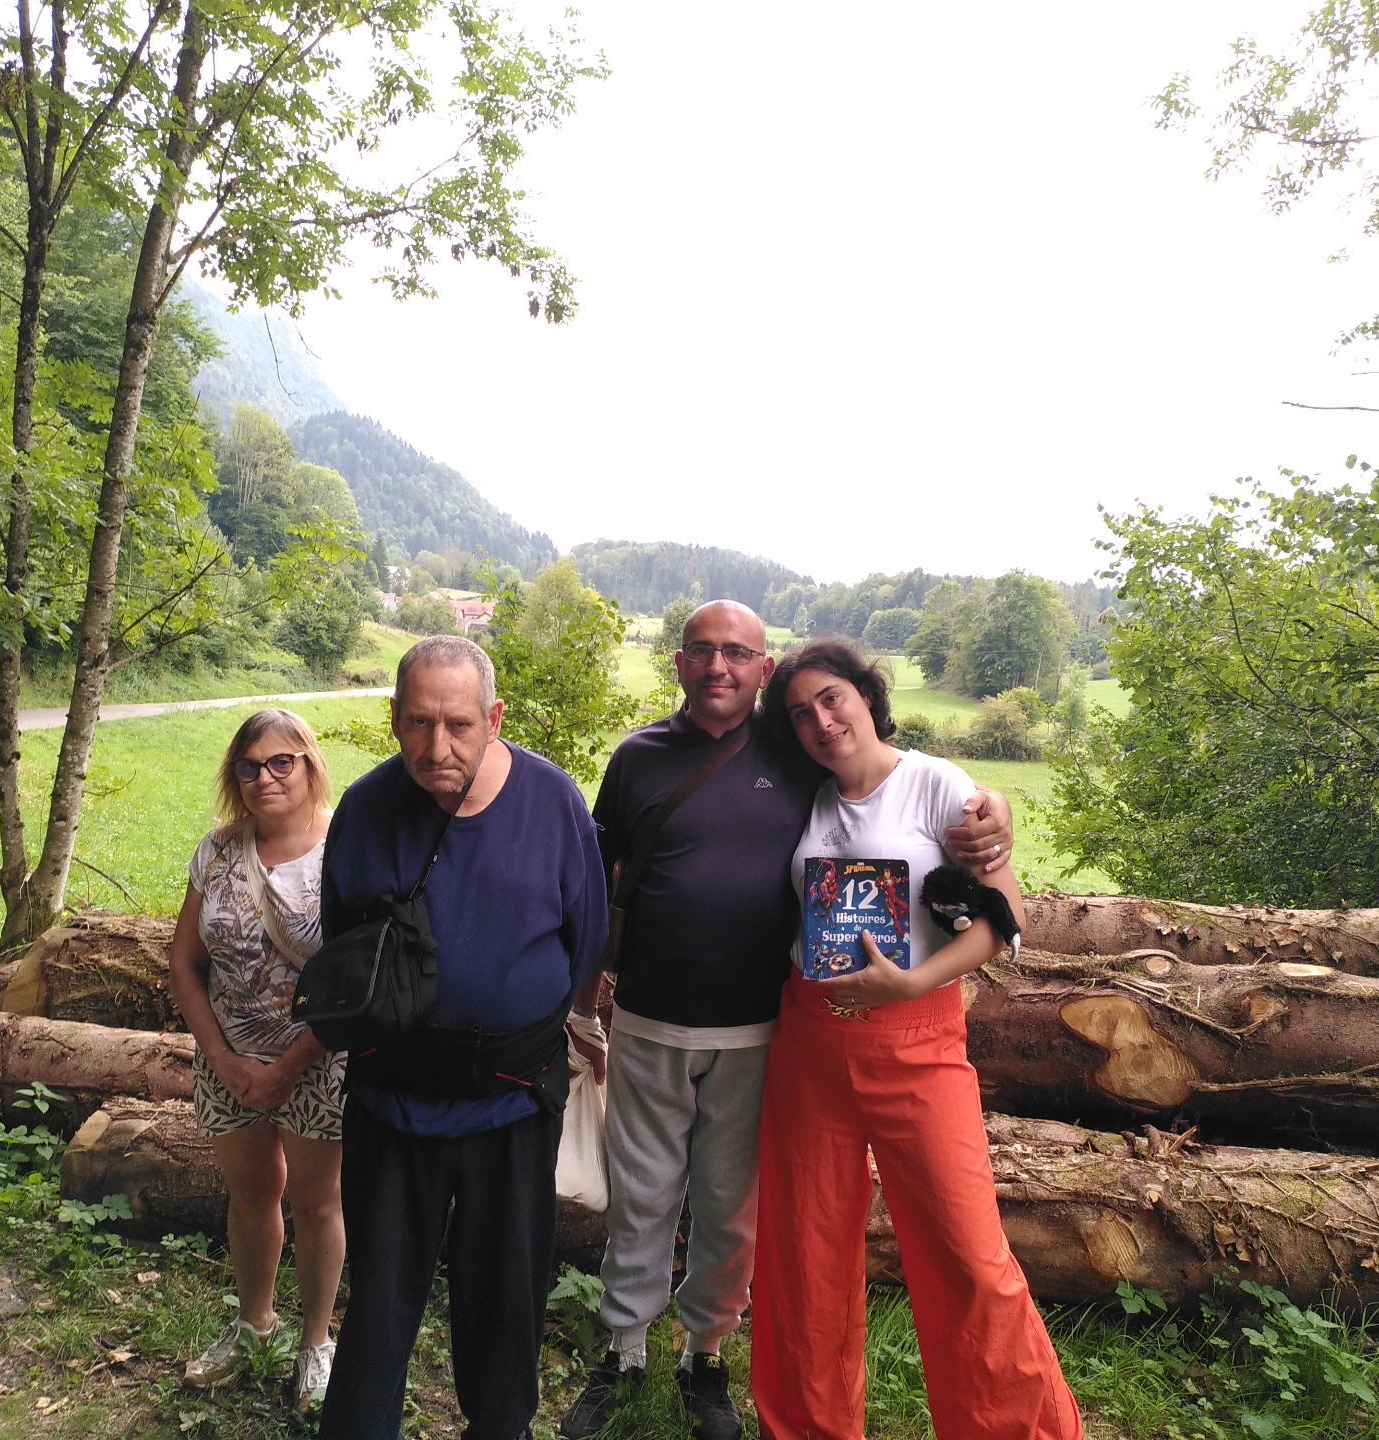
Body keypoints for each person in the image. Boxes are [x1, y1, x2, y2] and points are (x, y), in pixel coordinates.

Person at [558, 601, 1019, 1440]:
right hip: (686, 1020)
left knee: (745, 1213)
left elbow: (970, 867)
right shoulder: (648, 760)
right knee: (672, 1208)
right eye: (701, 650)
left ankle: (707, 1357)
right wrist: (586, 1002)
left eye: (738, 652)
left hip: (771, 1030)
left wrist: (995, 817)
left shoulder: (803, 755)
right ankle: (626, 1354)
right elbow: (603, 885)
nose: (719, 666)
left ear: (762, 670)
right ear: (678, 662)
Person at [749, 640, 1081, 1440]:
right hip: (811, 1044)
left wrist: (915, 982)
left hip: (919, 1040)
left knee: (965, 1253)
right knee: (805, 1254)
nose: (820, 721)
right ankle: (807, 1428)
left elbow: (1008, 920)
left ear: (867, 695)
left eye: (832, 699)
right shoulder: (809, 795)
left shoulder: (936, 783)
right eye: (800, 713)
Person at [318, 635, 608, 1440]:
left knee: (505, 1297)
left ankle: (500, 1428)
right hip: (389, 1100)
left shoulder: (552, 802)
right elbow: (341, 938)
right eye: (416, 723)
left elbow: (586, 936)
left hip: (511, 1107)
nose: (435, 747)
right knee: (378, 1295)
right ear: (394, 718)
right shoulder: (368, 807)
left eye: (456, 724)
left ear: (493, 718)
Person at [166, 709, 345, 1414]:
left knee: (317, 1200)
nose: (264, 777)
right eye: (249, 766)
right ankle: (255, 1323)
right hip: (226, 1060)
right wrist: (222, 1055)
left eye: (280, 762)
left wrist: (287, 1064)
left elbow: (354, 979)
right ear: (233, 776)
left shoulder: (346, 851)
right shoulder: (215, 850)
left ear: (308, 765)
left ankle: (316, 1343)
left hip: (319, 1057)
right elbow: (183, 961)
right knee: (250, 1195)